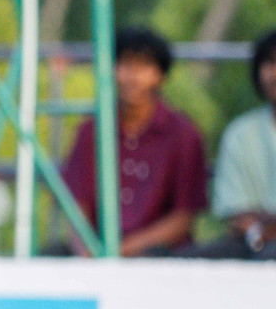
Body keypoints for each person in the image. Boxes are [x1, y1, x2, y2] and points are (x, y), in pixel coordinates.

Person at [54, 26, 208, 257]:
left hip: (158, 255)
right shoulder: (91, 131)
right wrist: (86, 250)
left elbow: (183, 218)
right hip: (95, 252)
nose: (133, 75)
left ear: (160, 75)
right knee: (48, 257)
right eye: (125, 64)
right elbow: (77, 207)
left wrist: (121, 252)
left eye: (144, 66)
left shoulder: (183, 134)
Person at [189, 30, 276, 259]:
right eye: (269, 63)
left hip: (262, 241)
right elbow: (238, 217)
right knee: (188, 259)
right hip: (252, 243)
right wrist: (262, 230)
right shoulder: (240, 132)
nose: (274, 73)